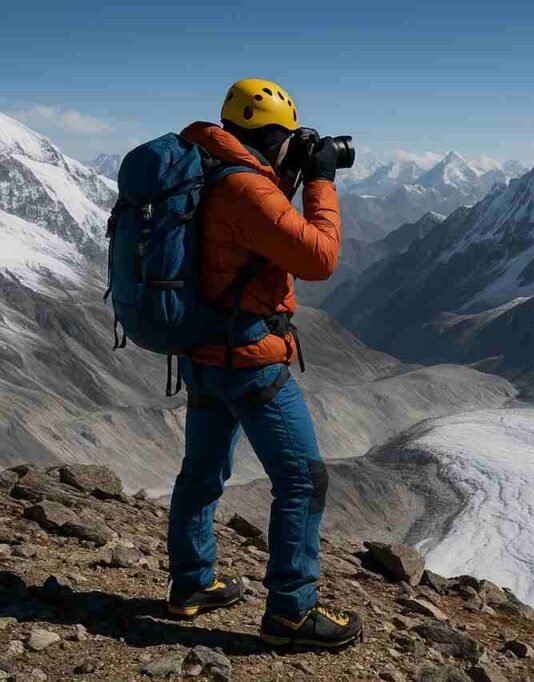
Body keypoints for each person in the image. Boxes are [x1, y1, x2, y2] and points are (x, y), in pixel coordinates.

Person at [164, 78, 362, 649]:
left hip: (202, 350)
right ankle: (291, 614)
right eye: (291, 142)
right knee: (302, 478)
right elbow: (318, 258)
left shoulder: (207, 171)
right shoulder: (247, 190)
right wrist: (321, 180)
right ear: (273, 138)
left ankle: (191, 585)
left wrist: (289, 175)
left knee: (201, 475)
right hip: (249, 359)